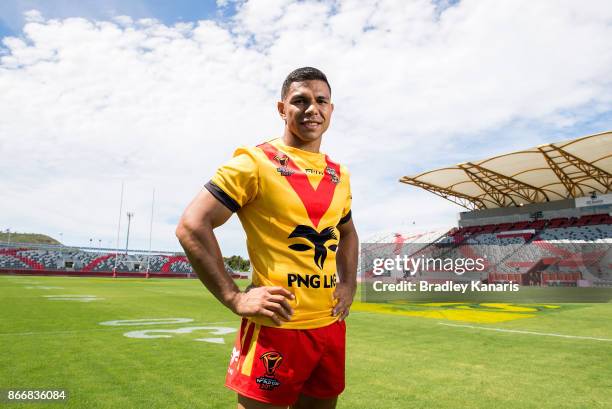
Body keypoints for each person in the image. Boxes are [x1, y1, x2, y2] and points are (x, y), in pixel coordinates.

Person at [176, 67, 359, 409]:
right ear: (281, 109)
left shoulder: (340, 174)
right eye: (300, 100)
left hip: (330, 326)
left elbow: (347, 233)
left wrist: (348, 284)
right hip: (276, 325)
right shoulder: (254, 163)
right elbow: (191, 224)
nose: (312, 109)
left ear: (331, 109)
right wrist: (234, 296)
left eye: (321, 100)